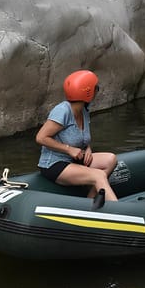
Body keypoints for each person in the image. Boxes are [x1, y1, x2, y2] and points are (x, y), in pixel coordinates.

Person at [36, 69, 118, 201]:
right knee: (98, 175)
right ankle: (118, 212)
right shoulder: (62, 111)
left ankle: (90, 199)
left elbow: (81, 137)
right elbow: (40, 138)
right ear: (88, 92)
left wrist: (88, 149)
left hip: (75, 160)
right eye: (95, 88)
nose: (97, 91)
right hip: (54, 164)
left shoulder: (84, 110)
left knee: (111, 159)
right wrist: (69, 149)